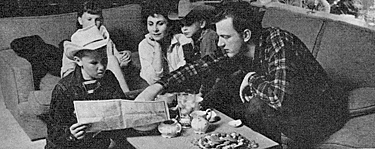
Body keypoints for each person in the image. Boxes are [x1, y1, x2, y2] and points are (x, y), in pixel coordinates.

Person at [136, 1, 347, 148]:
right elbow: (202, 65)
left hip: (321, 115)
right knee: (222, 87)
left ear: (245, 35)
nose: (219, 43)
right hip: (290, 108)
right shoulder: (240, 47)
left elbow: (279, 98)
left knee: (257, 103)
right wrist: (157, 86)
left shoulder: (278, 42)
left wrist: (251, 78)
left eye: (225, 37)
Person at [46, 25, 133, 149]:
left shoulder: (109, 77)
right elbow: (54, 132)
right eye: (94, 63)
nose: (102, 67)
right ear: (78, 61)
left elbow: (120, 106)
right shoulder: (64, 89)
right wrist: (70, 134)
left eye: (104, 60)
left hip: (101, 141)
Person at [61, 0, 131, 93]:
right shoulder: (75, 43)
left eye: (97, 20)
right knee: (111, 60)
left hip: (105, 76)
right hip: (85, 79)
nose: (93, 24)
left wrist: (124, 57)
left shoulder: (105, 38)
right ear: (80, 20)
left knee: (112, 59)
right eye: (89, 19)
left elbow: (118, 60)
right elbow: (67, 73)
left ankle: (124, 95)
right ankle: (126, 93)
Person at [168, 0, 220, 95]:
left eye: (188, 24)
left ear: (202, 23)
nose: (184, 29)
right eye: (182, 25)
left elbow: (209, 70)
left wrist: (201, 94)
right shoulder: (195, 39)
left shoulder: (208, 37)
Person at [138, 1, 191, 85]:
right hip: (153, 90)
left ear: (170, 25)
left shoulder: (183, 40)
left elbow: (187, 76)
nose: (155, 29)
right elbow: (154, 81)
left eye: (160, 24)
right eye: (150, 24)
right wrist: (157, 48)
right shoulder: (144, 45)